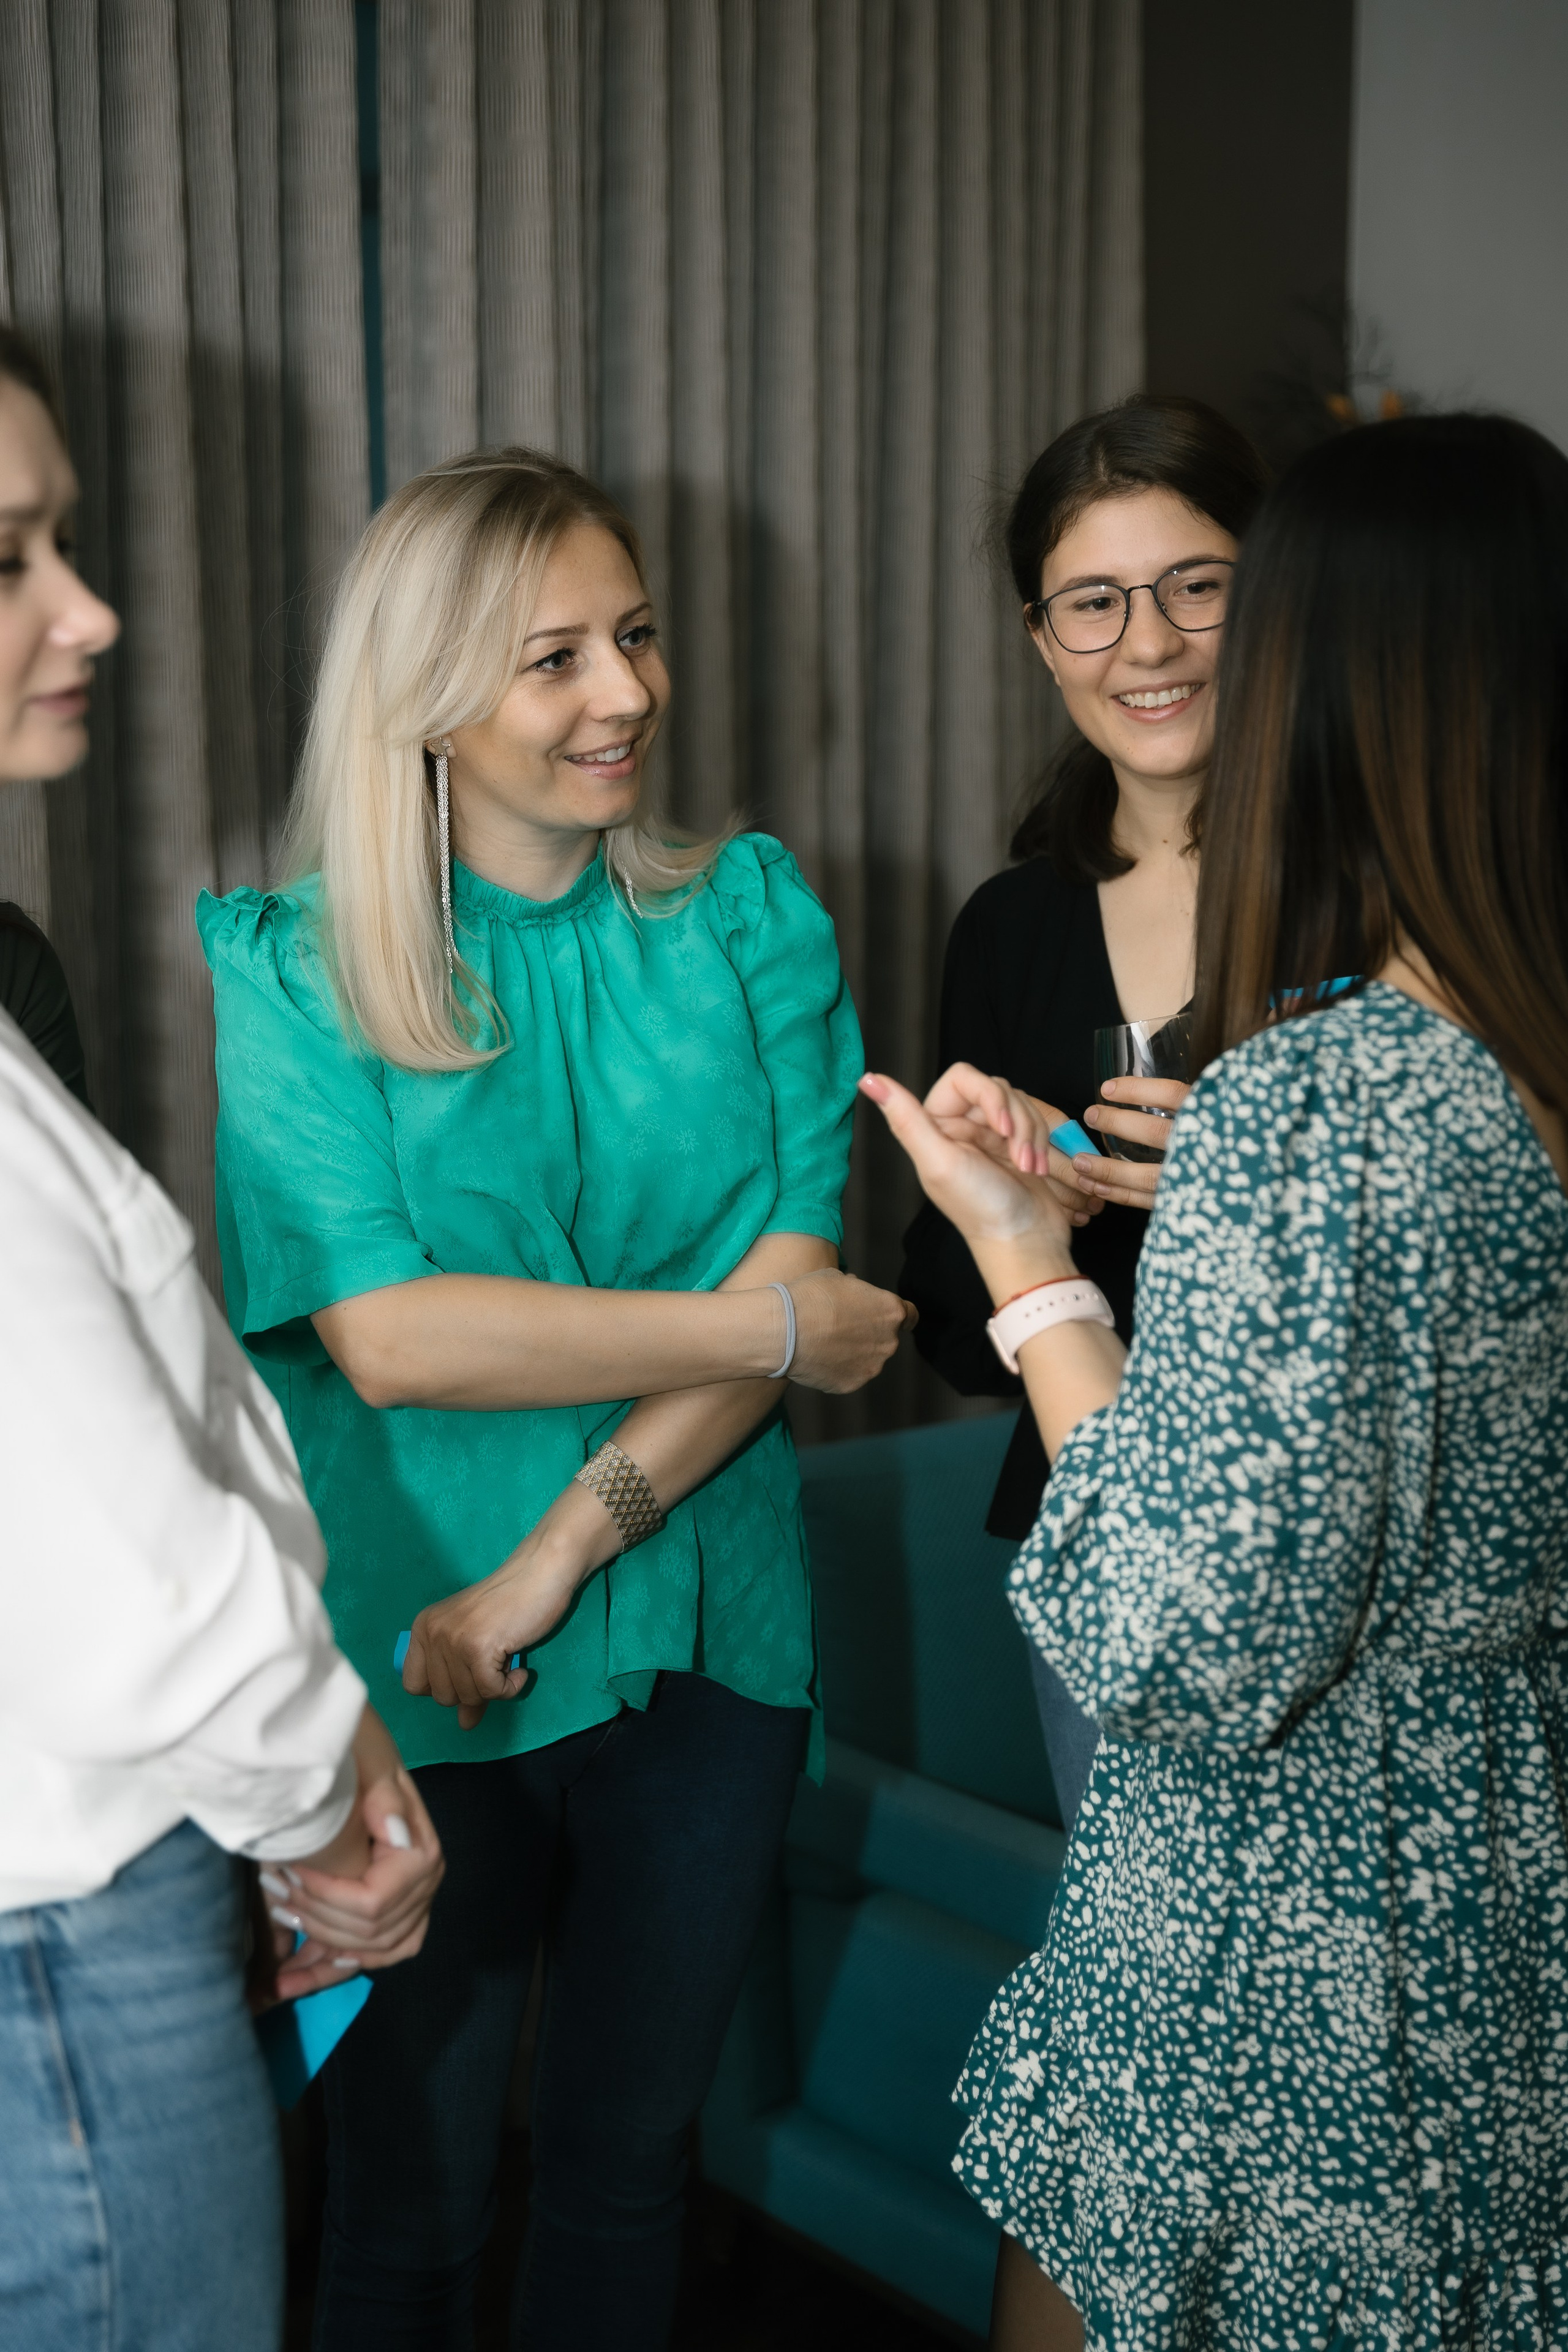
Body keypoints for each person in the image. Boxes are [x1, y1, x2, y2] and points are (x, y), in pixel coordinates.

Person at [863, 411, 1568, 2349]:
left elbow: (1184, 1642)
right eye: (1098, 603)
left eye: (1225, 604)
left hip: (1288, 1887)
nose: (1174, 653)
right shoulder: (1520, 1044)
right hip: (1508, 1857)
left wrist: (1027, 1264)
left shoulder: (1317, 1093)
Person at [198, 444, 912, 2348]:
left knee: (625, 2180)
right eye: (554, 659)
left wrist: (550, 1563)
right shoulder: (290, 971)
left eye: (638, 636)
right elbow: (397, 1340)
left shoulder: (750, 917)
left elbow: (792, 1260)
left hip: (702, 1637)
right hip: (409, 1668)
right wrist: (766, 1338)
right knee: (406, 2209)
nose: (627, 696)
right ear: (425, 694)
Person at [0, 335, 444, 2346]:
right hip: (71, 1964)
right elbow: (145, 1589)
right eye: (9, 558)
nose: (86, 609)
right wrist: (329, 1815)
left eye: (64, 542)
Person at [900, 394, 1269, 1824]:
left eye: (1195, 587)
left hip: (1346, 1541)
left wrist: (1240, 1189)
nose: (1148, 645)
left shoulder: (1384, 901)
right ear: (1040, 638)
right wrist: (1020, 1231)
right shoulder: (1012, 927)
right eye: (1091, 604)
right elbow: (943, 1324)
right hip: (1098, 1551)